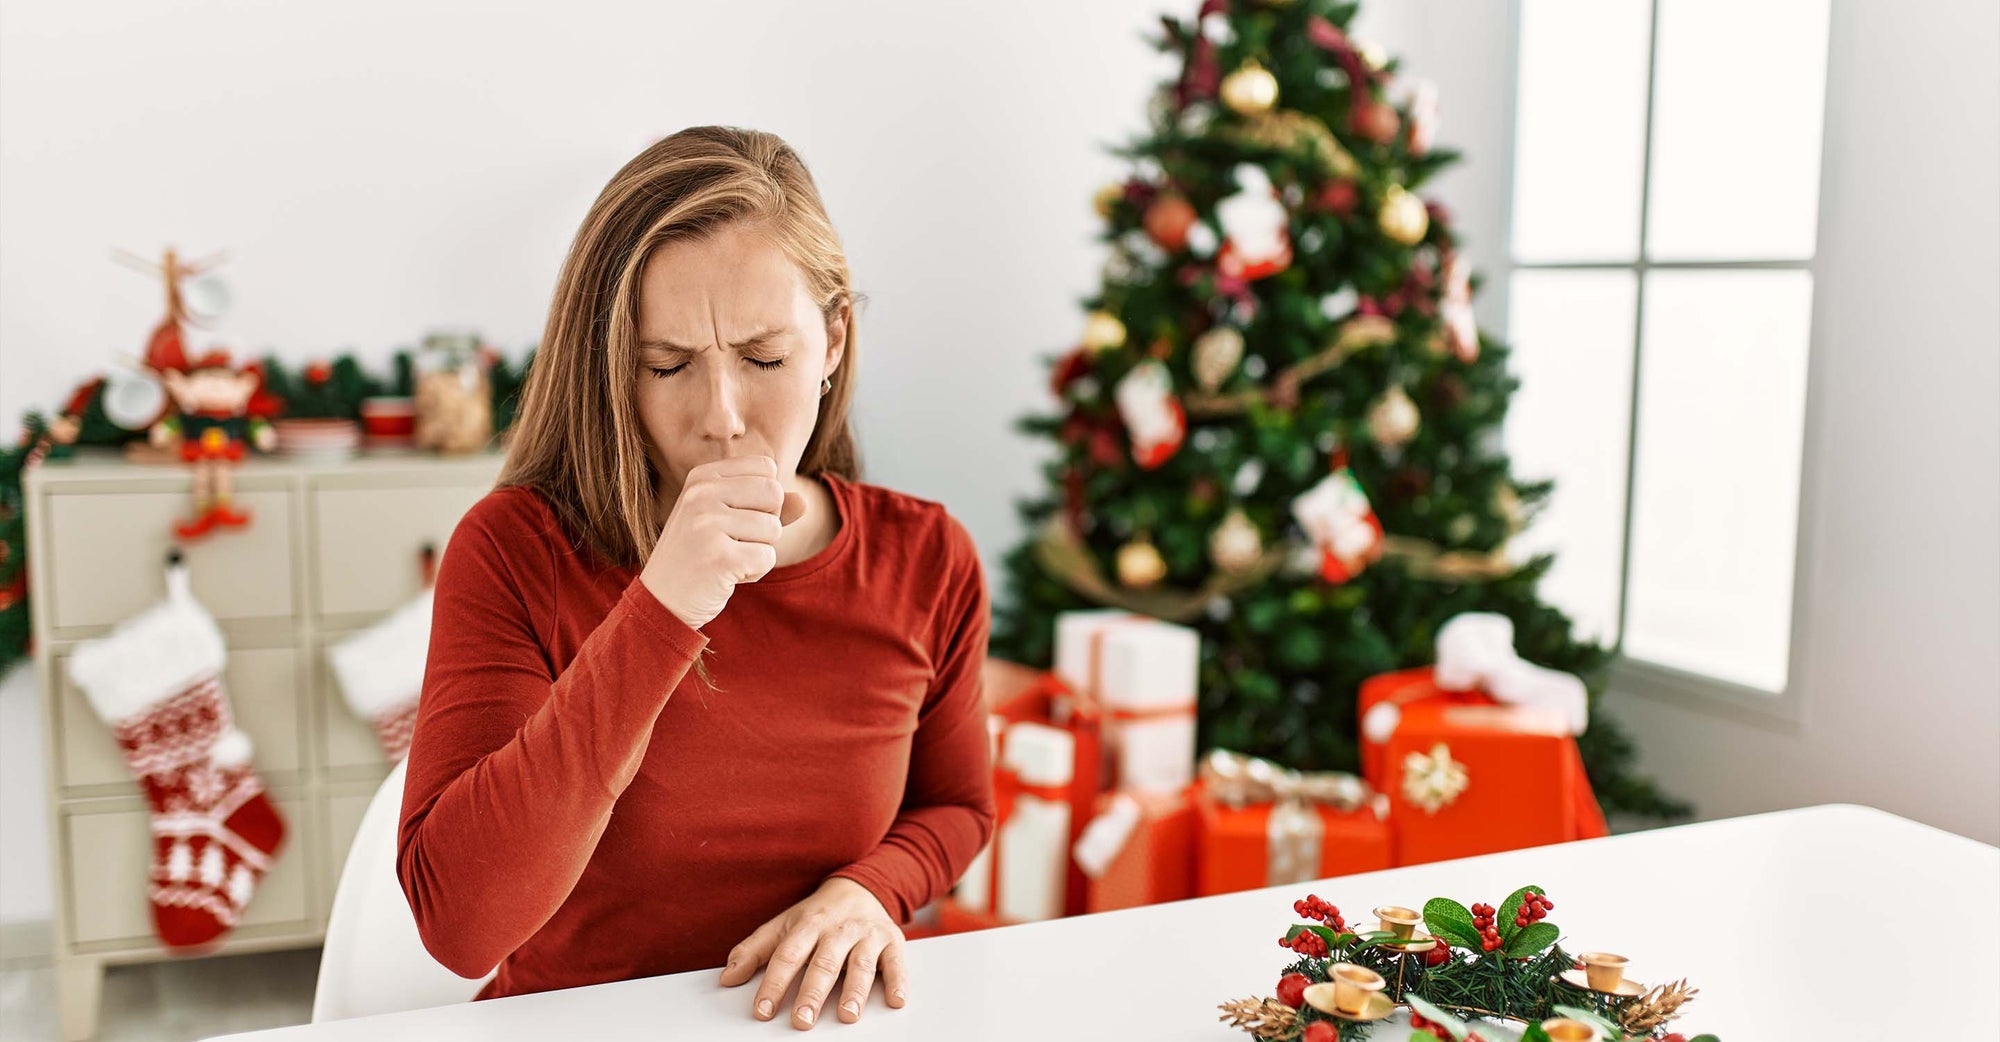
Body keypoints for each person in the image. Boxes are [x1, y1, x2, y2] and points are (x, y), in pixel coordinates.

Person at [397, 125, 996, 1031]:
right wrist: (662, 609)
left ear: (833, 340)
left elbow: (955, 806)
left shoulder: (926, 557)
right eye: (666, 365)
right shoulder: (514, 549)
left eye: (764, 359)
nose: (721, 418)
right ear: (612, 371)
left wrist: (870, 889)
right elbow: (460, 926)